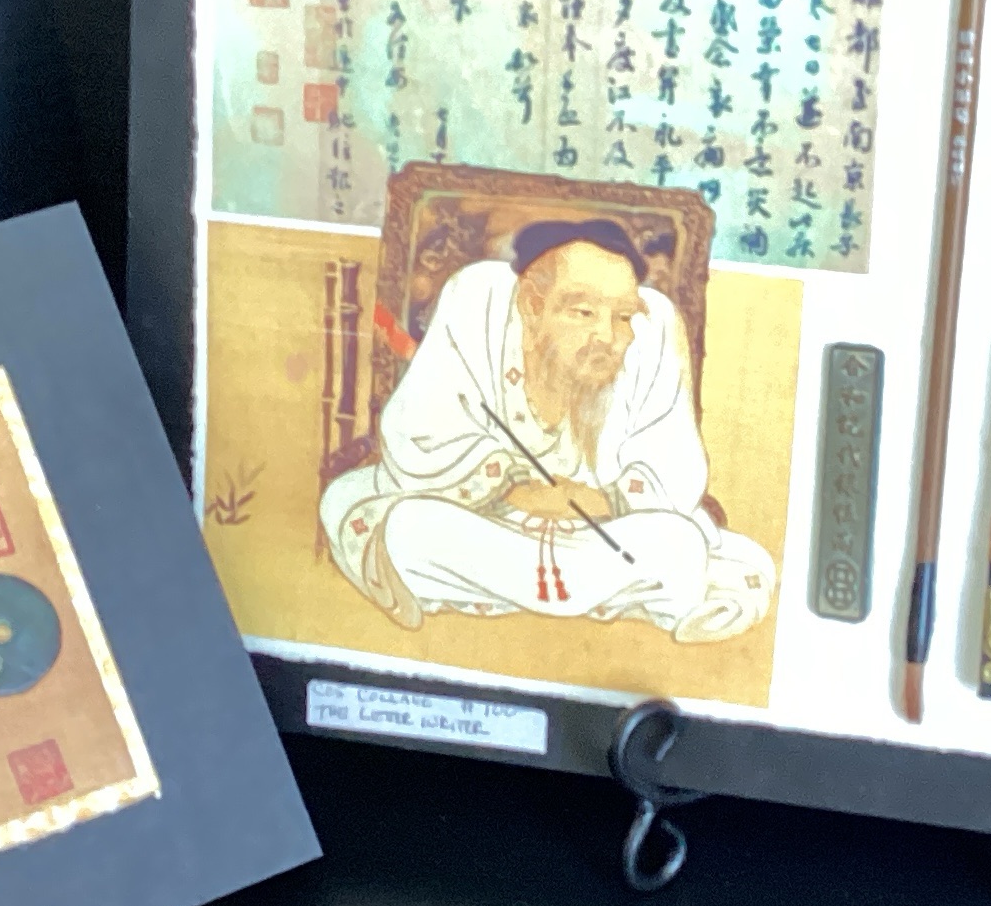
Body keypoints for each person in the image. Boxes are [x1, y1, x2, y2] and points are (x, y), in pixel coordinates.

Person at [322, 216, 777, 642]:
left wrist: (597, 501)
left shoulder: (653, 327)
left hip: (602, 530)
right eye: (584, 313)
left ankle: (514, 591)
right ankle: (600, 596)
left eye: (622, 316)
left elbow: (672, 465)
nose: (608, 336)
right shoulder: (478, 302)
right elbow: (420, 433)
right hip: (485, 521)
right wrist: (512, 487)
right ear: (533, 304)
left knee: (680, 546)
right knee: (408, 528)